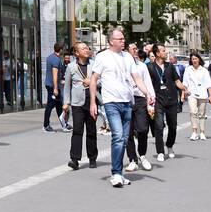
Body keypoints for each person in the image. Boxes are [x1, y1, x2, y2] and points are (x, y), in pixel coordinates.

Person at [89, 27, 156, 187]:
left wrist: (147, 93)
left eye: (123, 38)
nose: (123, 40)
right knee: (118, 137)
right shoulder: (102, 57)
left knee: (124, 139)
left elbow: (137, 78)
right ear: (111, 41)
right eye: (120, 39)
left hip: (127, 103)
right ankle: (116, 173)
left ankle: (119, 173)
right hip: (111, 102)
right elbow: (93, 80)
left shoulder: (127, 57)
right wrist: (93, 102)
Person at [62, 41, 97, 169]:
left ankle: (92, 157)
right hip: (77, 103)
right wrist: (66, 102)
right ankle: (74, 159)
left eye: (87, 48)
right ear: (76, 53)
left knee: (91, 131)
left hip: (92, 102)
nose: (86, 50)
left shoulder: (94, 65)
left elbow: (102, 81)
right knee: (77, 130)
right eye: (83, 49)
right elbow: (67, 86)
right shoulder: (71, 67)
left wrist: (92, 82)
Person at [147, 43, 184, 161]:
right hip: (158, 100)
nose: (166, 52)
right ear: (157, 53)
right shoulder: (150, 67)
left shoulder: (170, 66)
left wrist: (184, 89)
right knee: (158, 126)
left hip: (172, 99)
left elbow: (177, 81)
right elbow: (147, 84)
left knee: (172, 126)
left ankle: (169, 145)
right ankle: (160, 151)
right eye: (163, 51)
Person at [124, 41, 155, 172]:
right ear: (126, 51)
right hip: (125, 100)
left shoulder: (142, 66)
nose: (136, 51)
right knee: (128, 132)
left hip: (140, 99)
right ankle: (132, 159)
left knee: (143, 129)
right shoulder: (122, 65)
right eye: (133, 49)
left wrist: (151, 101)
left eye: (137, 48)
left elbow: (147, 83)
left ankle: (142, 155)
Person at [183, 51, 211, 140]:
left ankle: (202, 132)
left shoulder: (204, 70)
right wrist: (184, 92)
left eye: (196, 58)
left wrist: (210, 95)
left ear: (199, 59)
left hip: (203, 94)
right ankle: (194, 132)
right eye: (192, 59)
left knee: (202, 114)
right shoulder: (188, 69)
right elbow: (185, 82)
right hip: (191, 94)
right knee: (193, 112)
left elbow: (208, 84)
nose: (194, 60)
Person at [43, 43, 65, 132]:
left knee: (59, 105)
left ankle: (64, 124)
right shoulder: (56, 60)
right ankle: (46, 125)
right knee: (50, 105)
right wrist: (56, 88)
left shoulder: (50, 57)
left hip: (49, 84)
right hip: (53, 86)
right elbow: (55, 74)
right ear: (61, 50)